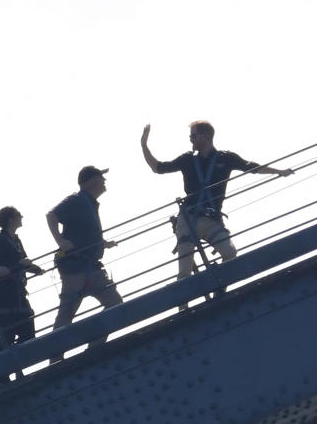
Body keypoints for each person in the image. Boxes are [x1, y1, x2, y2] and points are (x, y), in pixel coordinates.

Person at [141, 121, 295, 281]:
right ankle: (184, 306)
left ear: (206, 136)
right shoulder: (187, 159)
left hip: (211, 220)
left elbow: (252, 167)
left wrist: (279, 172)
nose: (191, 140)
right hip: (188, 221)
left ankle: (219, 286)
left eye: (194, 136)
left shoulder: (226, 158)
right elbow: (158, 168)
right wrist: (144, 146)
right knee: (184, 272)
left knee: (230, 253)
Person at [46, 166, 124, 360]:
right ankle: (56, 359)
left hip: (90, 268)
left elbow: (83, 232)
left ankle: (93, 348)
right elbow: (51, 216)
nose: (104, 181)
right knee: (66, 315)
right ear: (90, 182)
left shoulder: (88, 203)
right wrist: (60, 242)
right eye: (100, 177)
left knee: (115, 304)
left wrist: (102, 244)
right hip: (76, 269)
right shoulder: (77, 200)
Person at [0, 206, 43, 350]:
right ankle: (2, 369)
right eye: (19, 214)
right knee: (8, 334)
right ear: (11, 219)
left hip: (18, 293)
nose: (22, 216)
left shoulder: (16, 240)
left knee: (27, 331)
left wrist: (36, 270)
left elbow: (23, 261)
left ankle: (11, 364)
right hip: (5, 296)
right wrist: (19, 265)